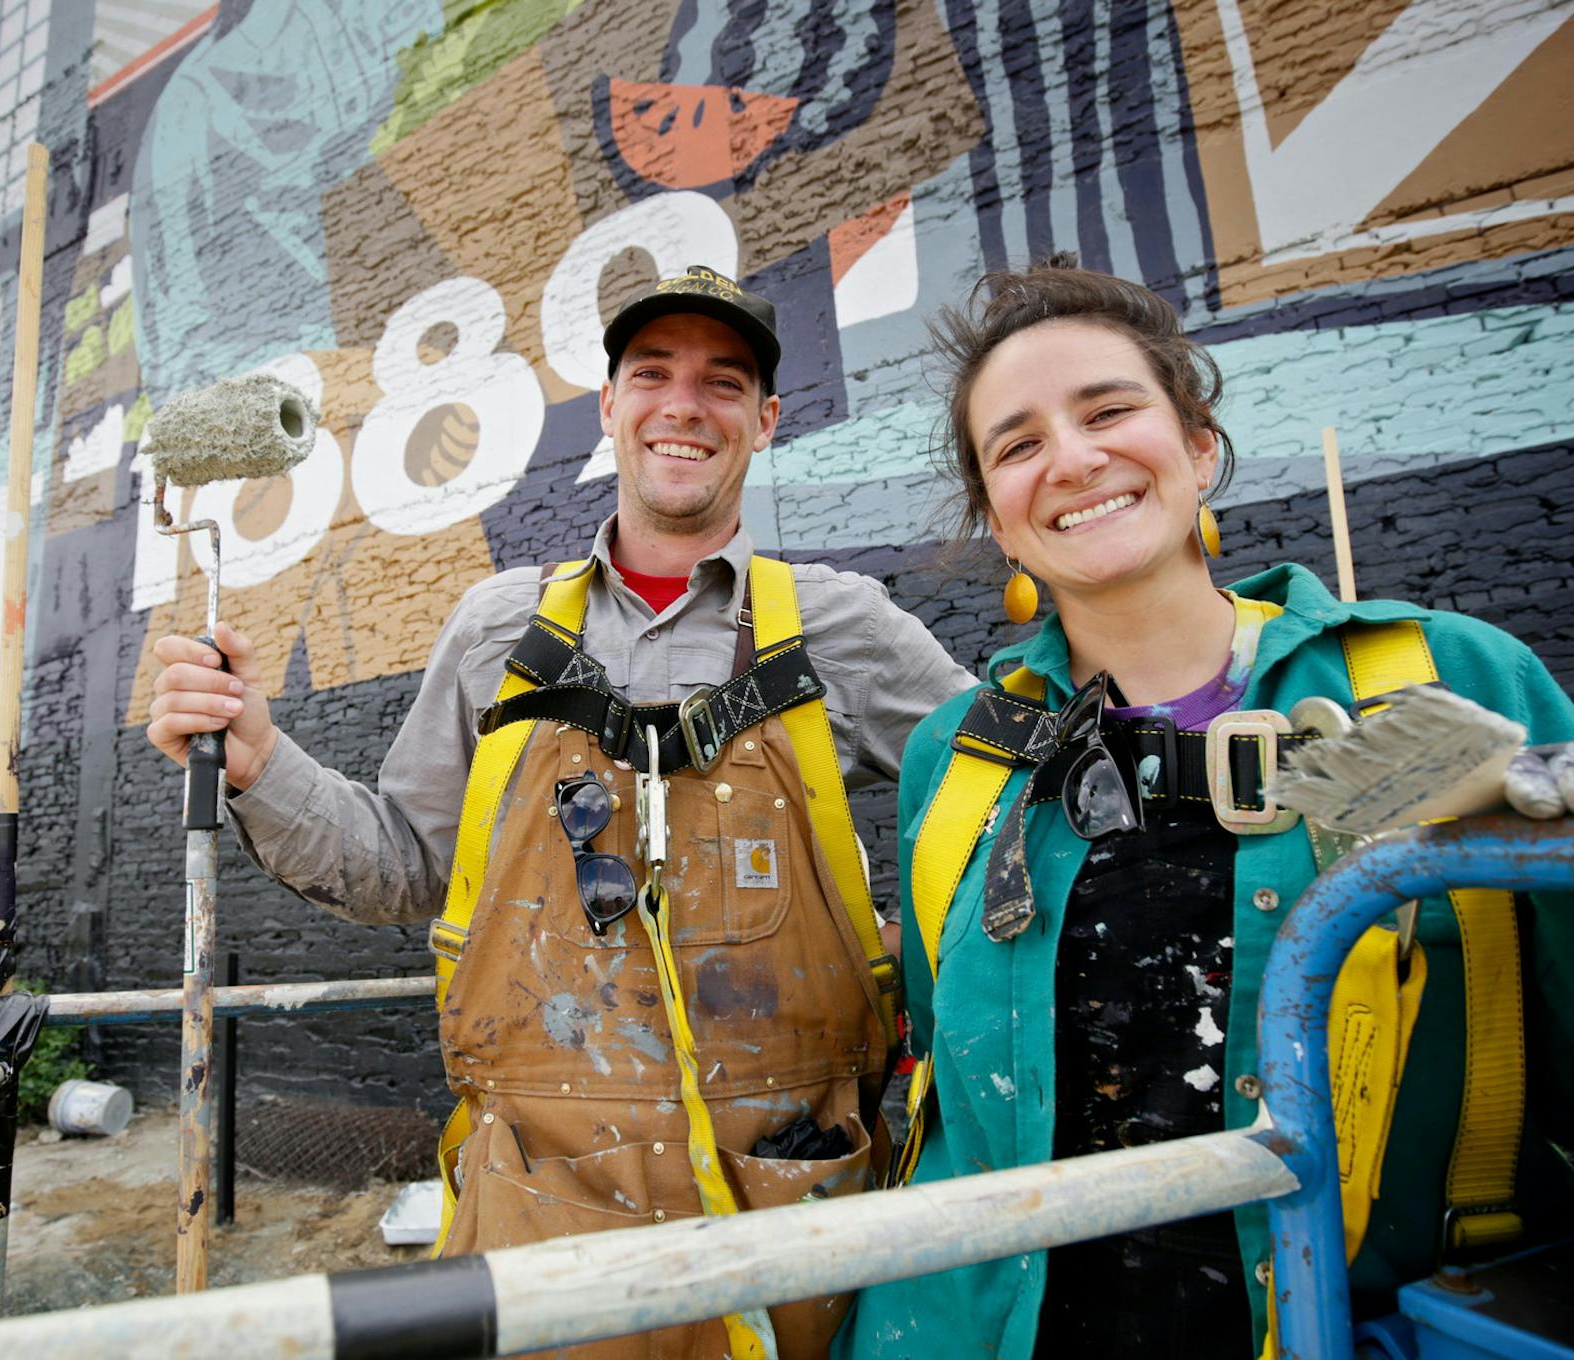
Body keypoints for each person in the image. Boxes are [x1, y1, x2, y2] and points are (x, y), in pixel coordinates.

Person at [835, 258, 1574, 1358]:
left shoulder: (1446, 678)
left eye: (1108, 412)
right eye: (1016, 446)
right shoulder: (961, 757)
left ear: (1200, 447)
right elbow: (958, 1099)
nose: (1071, 459)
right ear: (998, 523)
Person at [147, 265, 973, 1358]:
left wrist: (905, 954)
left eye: (724, 382)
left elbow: (999, 822)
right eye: (653, 374)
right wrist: (259, 759)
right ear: (611, 407)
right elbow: (405, 865)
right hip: (541, 1209)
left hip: (794, 1209)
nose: (685, 405)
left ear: (767, 420)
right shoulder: (499, 628)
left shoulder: (844, 628)